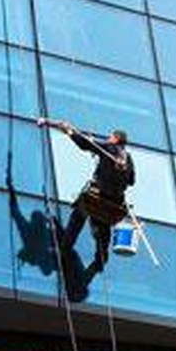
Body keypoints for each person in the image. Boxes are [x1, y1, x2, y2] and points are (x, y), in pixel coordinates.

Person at [37, 118, 135, 276]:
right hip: (114, 203)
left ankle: (65, 247)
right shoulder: (128, 159)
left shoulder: (109, 147)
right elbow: (131, 181)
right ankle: (101, 259)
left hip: (99, 196)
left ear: (115, 138)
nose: (108, 139)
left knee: (78, 216)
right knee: (103, 226)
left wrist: (55, 125)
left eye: (110, 137)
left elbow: (82, 143)